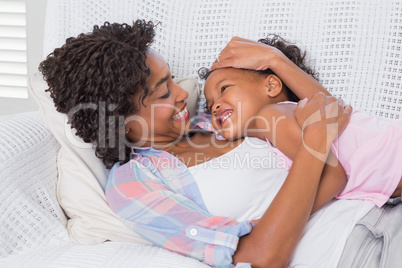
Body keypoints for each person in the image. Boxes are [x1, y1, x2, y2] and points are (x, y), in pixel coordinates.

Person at [38, 20, 387, 268]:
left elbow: (331, 124)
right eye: (163, 92)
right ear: (123, 121)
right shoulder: (135, 185)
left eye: (172, 78)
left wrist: (275, 62)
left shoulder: (221, 116)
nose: (182, 94)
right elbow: (260, 256)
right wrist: (315, 144)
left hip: (383, 203)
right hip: (349, 252)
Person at [202, 36, 402, 210]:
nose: (216, 107)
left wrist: (268, 221)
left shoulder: (271, 116)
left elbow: (333, 178)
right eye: (210, 106)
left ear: (271, 86)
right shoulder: (277, 132)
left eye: (224, 88)